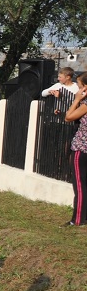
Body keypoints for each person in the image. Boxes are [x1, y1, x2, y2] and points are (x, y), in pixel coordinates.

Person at [63, 72, 87, 226]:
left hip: (81, 148)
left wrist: (77, 99)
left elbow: (68, 117)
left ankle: (77, 220)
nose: (78, 89)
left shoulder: (85, 104)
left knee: (80, 185)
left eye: (79, 86)